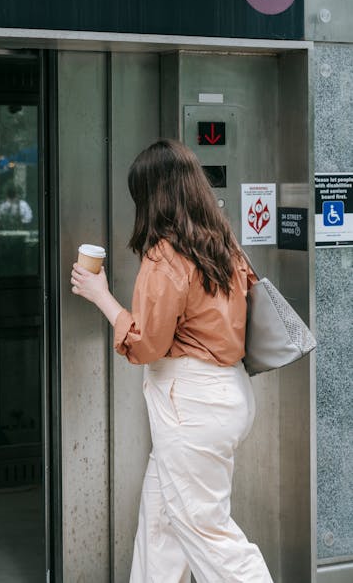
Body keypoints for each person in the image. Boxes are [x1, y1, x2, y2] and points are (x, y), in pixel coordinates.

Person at [70, 139, 274, 583]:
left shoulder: (166, 255)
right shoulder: (224, 246)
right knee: (162, 526)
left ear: (151, 196)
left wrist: (100, 295)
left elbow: (147, 346)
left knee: (207, 532)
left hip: (191, 406)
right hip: (227, 396)